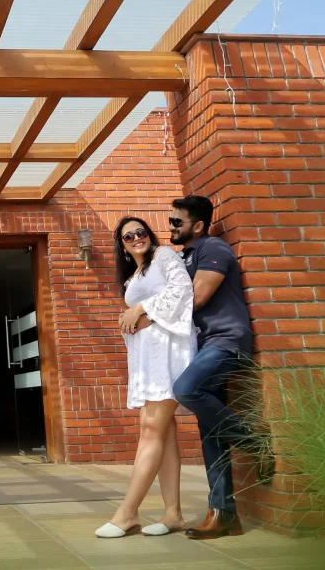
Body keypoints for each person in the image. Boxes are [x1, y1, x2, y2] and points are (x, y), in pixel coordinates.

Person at [169, 195, 271, 540]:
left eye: (177, 221)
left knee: (185, 389)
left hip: (227, 341)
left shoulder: (213, 248)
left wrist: (151, 311)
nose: (171, 227)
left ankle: (254, 442)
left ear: (198, 226)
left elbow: (198, 297)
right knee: (211, 431)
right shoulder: (184, 256)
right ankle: (224, 514)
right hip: (204, 347)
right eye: (171, 221)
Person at [95, 217, 197, 538]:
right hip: (148, 359)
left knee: (151, 428)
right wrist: (131, 317)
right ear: (122, 246)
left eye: (141, 232)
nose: (136, 238)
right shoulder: (133, 276)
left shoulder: (163, 256)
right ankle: (173, 514)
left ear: (150, 235)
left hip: (169, 353)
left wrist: (141, 310)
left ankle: (127, 514)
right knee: (164, 431)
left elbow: (182, 289)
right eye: (128, 236)